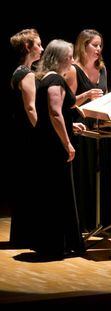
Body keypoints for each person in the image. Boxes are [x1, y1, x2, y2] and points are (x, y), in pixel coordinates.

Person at [33, 39, 85, 257]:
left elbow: (51, 114)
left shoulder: (46, 78)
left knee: (52, 193)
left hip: (46, 142)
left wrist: (71, 125)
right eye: (70, 56)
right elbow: (55, 113)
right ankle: (57, 245)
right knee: (59, 194)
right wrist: (68, 143)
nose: (72, 60)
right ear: (62, 58)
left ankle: (53, 243)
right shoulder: (54, 79)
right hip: (53, 145)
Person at [65, 29, 111, 233]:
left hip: (100, 128)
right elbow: (68, 102)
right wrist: (87, 94)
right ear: (83, 46)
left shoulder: (102, 69)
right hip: (81, 129)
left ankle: (101, 222)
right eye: (94, 45)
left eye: (100, 45)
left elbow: (105, 95)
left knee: (100, 174)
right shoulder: (74, 69)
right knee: (84, 175)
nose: (98, 49)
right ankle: (83, 223)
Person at [9, 29, 43, 248]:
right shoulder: (27, 74)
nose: (42, 48)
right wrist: (43, 132)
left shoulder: (19, 71)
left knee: (25, 185)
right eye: (38, 44)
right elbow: (31, 108)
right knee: (31, 185)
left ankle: (23, 234)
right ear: (28, 48)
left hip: (20, 135)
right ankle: (29, 235)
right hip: (30, 136)